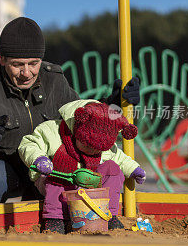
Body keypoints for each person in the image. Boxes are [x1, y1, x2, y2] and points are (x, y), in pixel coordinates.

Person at [0, 16, 141, 205]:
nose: (26, 73)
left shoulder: (53, 80)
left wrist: (112, 106)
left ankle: (45, 223)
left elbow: (79, 120)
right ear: (2, 59)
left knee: (63, 169)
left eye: (33, 64)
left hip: (35, 167)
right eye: (17, 65)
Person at [18, 100, 146, 233]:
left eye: (97, 150)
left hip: (86, 183)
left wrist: (133, 169)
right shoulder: (51, 131)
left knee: (113, 168)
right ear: (76, 129)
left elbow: (118, 156)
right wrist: (39, 159)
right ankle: (55, 218)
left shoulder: (104, 137)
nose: (92, 151)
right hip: (56, 181)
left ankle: (108, 213)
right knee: (60, 167)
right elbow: (29, 144)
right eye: (87, 145)